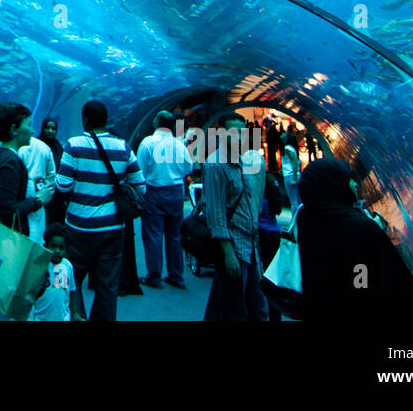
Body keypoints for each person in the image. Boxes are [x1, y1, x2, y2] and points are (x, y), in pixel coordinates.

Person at [296, 158, 413, 321]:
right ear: (335, 184)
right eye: (348, 179)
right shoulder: (362, 228)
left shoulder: (305, 218)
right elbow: (389, 282)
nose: (355, 184)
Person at [56, 100, 145, 321]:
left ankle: (75, 316)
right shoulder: (123, 147)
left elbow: (63, 185)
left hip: (79, 225)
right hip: (114, 226)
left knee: (68, 276)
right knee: (108, 284)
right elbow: (140, 185)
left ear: (85, 119)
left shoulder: (73, 145)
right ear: (106, 120)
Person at [0, 102, 51, 321]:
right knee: (6, 309)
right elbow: (7, 211)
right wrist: (38, 201)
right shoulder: (11, 162)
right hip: (8, 248)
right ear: (13, 129)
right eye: (28, 124)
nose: (32, 129)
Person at [201, 111, 267, 321]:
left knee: (258, 306)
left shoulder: (241, 162)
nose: (238, 136)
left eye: (242, 132)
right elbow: (215, 212)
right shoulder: (216, 165)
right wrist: (228, 254)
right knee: (235, 308)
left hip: (251, 246)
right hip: (234, 247)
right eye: (233, 131)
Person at [137, 110, 191, 289]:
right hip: (176, 192)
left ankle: (154, 276)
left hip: (155, 192)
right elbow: (188, 168)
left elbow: (140, 171)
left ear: (156, 122)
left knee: (153, 234)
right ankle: (177, 276)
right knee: (174, 235)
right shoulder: (179, 144)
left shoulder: (148, 143)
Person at [29, 224, 79, 322]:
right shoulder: (40, 265)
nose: (57, 251)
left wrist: (75, 313)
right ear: (46, 246)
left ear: (66, 249)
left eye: (61, 248)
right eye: (53, 246)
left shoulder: (68, 266)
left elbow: (72, 291)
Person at [18, 126, 57, 242]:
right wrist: (46, 195)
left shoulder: (17, 148)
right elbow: (52, 176)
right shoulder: (44, 147)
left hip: (21, 202)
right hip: (40, 197)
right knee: (37, 237)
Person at [257, 170, 286, 321]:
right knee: (272, 276)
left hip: (262, 233)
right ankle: (276, 315)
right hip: (275, 233)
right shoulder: (273, 194)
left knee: (259, 274)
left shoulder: (260, 196)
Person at [38, 117, 68, 225]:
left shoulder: (58, 146)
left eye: (53, 128)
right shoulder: (37, 145)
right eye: (47, 128)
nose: (50, 131)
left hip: (57, 192)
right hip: (41, 189)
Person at [282, 137, 302, 209]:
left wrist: (294, 179)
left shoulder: (287, 148)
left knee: (293, 201)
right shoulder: (292, 148)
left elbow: (294, 162)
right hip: (294, 175)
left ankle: (295, 218)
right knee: (298, 200)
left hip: (290, 175)